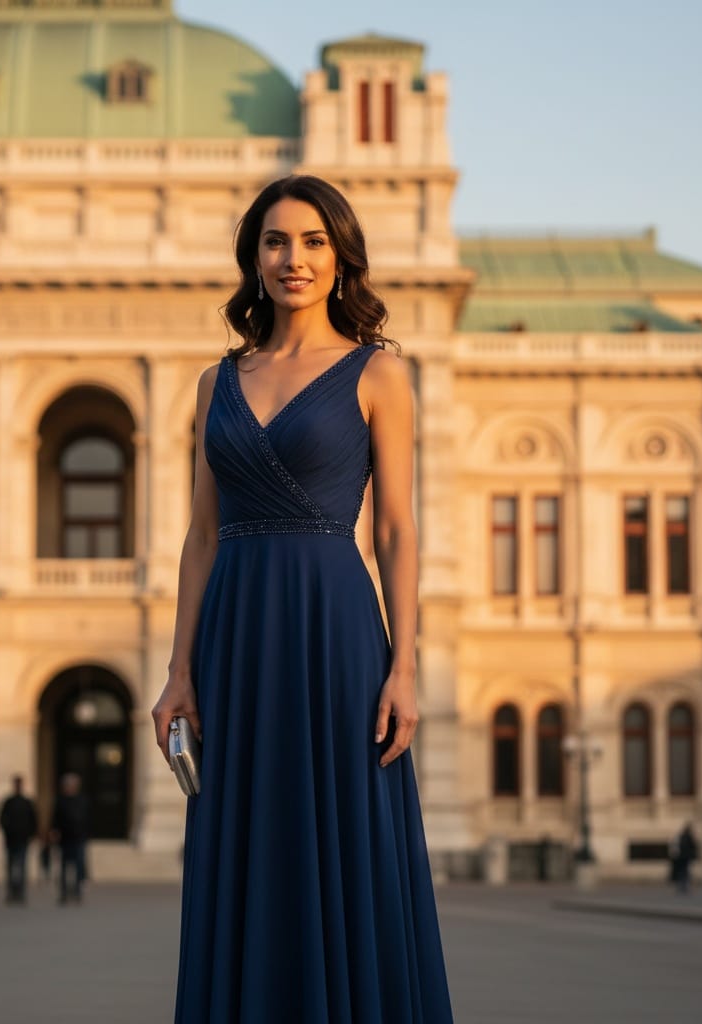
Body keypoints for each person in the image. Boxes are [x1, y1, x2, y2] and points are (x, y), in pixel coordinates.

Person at [151, 175, 453, 1022]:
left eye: (314, 242)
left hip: (335, 628)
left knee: (341, 836)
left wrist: (404, 666)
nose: (295, 259)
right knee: (246, 842)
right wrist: (179, 670)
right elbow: (201, 534)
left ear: (340, 256)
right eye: (277, 241)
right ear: (253, 258)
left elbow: (395, 529)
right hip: (236, 632)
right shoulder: (219, 382)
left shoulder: (379, 373)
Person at [0, 774, 39, 904]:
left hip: (23, 839)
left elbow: (33, 820)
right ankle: (11, 891)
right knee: (10, 867)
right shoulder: (8, 802)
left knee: (21, 866)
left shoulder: (27, 802)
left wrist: (32, 835)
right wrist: (6, 832)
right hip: (11, 839)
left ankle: (20, 892)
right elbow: (2, 820)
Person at [49, 773, 89, 904]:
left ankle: (77, 891)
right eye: (68, 785)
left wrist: (87, 834)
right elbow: (55, 818)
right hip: (65, 839)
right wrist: (54, 832)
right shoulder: (60, 801)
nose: (69, 787)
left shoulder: (82, 800)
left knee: (79, 865)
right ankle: (64, 893)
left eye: (72, 785)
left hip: (79, 838)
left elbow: (89, 818)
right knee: (64, 867)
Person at [669, 822, 699, 894]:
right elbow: (694, 847)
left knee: (682, 872)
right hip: (685, 857)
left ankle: (682, 886)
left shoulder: (681, 837)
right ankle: (684, 886)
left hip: (681, 857)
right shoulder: (689, 837)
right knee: (685, 872)